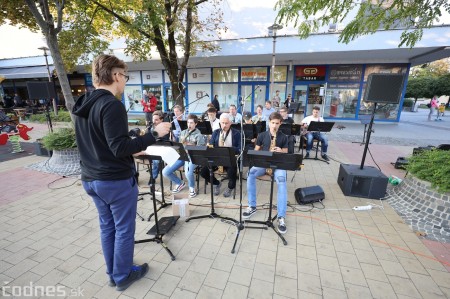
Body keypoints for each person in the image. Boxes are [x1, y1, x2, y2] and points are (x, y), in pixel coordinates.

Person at [72, 54, 171, 291]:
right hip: (114, 181)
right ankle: (123, 275)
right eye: (124, 76)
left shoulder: (82, 104)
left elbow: (102, 143)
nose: (125, 81)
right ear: (116, 75)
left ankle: (113, 271)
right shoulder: (112, 104)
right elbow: (119, 148)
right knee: (124, 229)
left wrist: (131, 145)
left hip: (91, 179)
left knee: (108, 227)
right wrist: (154, 134)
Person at [243, 112, 289, 234]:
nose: (274, 126)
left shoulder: (284, 137)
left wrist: (280, 151)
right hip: (264, 163)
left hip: (278, 165)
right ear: (269, 122)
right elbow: (255, 151)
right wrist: (260, 153)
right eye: (272, 123)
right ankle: (252, 206)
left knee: (282, 180)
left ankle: (281, 216)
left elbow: (286, 153)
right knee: (250, 173)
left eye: (277, 123)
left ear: (280, 124)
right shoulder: (262, 135)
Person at [162, 114, 205, 198]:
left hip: (192, 157)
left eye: (191, 123)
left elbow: (202, 149)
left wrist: (190, 146)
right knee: (165, 172)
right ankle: (180, 183)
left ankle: (192, 187)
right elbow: (178, 145)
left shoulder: (199, 135)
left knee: (188, 173)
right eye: (188, 122)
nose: (189, 124)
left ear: (196, 124)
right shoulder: (183, 132)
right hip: (181, 156)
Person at [201, 113, 241, 197]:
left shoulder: (237, 133)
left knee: (232, 173)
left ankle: (230, 187)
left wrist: (228, 149)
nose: (224, 125)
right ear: (220, 123)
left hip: (229, 158)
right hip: (217, 158)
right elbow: (211, 145)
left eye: (226, 123)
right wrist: (209, 146)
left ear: (230, 123)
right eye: (222, 123)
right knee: (203, 172)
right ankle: (217, 183)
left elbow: (239, 149)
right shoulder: (216, 132)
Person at [148, 110, 170, 179]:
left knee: (156, 160)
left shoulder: (165, 129)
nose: (154, 121)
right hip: (152, 148)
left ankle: (153, 177)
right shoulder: (150, 128)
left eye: (156, 120)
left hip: (162, 147)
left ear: (161, 120)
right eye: (153, 119)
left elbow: (165, 140)